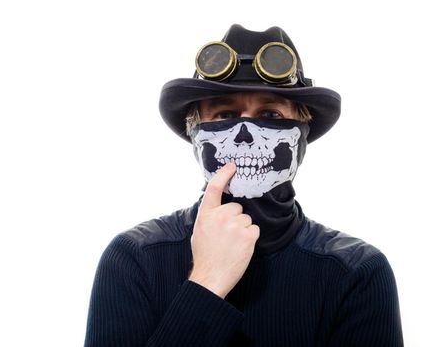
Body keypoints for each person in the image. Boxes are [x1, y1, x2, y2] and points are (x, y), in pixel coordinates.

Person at [84, 24, 404, 346]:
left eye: (271, 115)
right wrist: (206, 283)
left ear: (301, 138)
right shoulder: (134, 260)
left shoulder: (355, 273)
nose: (245, 133)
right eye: (225, 113)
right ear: (195, 136)